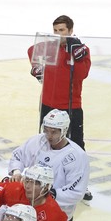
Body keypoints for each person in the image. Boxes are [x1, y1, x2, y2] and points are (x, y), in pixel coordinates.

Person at [8, 109, 89, 221]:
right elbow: (18, 156)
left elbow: (76, 192)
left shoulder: (77, 156)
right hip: (31, 207)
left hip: (57, 212)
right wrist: (16, 172)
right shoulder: (38, 141)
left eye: (54, 132)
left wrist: (49, 194)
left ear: (64, 130)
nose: (49, 136)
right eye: (46, 130)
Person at [28, 15, 91, 152]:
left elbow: (81, 75)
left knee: (75, 144)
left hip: (70, 106)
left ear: (70, 30)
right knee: (46, 142)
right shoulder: (51, 47)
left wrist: (77, 57)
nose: (58, 34)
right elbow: (31, 50)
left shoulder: (81, 50)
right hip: (48, 104)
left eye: (61, 30)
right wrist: (37, 68)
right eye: (55, 30)